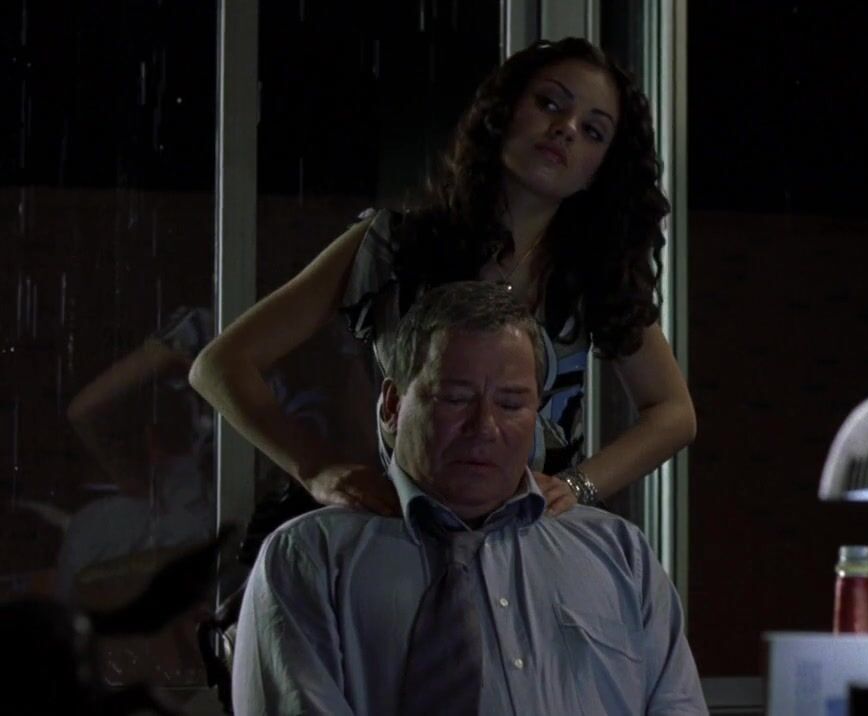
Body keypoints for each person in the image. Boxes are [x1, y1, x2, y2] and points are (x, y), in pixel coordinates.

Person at [189, 37, 696, 518]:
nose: (565, 128)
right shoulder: (393, 244)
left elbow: (674, 414)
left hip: (537, 540)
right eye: (549, 104)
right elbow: (219, 366)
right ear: (502, 112)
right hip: (403, 528)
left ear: (598, 171)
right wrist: (316, 468)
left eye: (593, 131)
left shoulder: (592, 270)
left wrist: (578, 485)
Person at [232, 282, 706, 715]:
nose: (485, 428)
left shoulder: (619, 555)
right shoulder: (310, 559)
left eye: (511, 403)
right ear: (393, 405)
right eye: (455, 399)